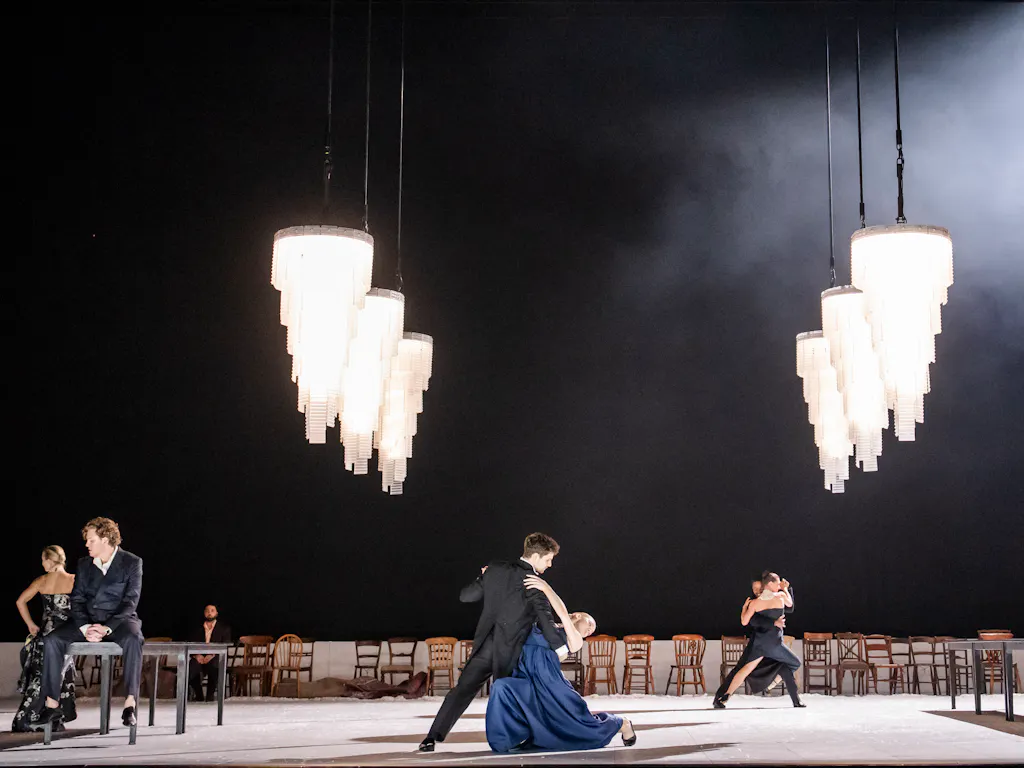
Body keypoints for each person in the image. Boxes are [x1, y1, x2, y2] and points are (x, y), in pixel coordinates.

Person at [419, 533, 569, 753]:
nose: (549, 564)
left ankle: (431, 738)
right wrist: (560, 646)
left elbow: (466, 596)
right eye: (548, 559)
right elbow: (545, 617)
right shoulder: (534, 581)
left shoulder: (495, 569)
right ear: (536, 556)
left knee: (461, 692)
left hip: (485, 647)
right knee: (510, 697)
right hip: (512, 652)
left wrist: (483, 578)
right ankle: (513, 739)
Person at [485, 575, 636, 753]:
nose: (591, 630)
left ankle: (622, 724)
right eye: (590, 624)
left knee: (578, 726)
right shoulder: (542, 625)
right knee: (502, 687)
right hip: (526, 678)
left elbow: (563, 614)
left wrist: (546, 589)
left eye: (592, 630)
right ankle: (506, 741)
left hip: (551, 685)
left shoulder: (575, 638)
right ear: (578, 616)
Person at [36, 518, 144, 729]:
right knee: (52, 640)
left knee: (134, 639)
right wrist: (86, 627)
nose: (86, 544)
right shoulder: (84, 564)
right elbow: (76, 600)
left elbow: (130, 601)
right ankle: (52, 705)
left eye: (91, 540)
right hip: (87, 621)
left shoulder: (132, 562)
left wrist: (106, 627)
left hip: (119, 621)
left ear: (105, 539)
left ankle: (130, 704)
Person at [715, 572, 804, 708]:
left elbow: (744, 621)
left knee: (744, 670)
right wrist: (784, 588)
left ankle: (726, 696)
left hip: (760, 644)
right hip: (774, 644)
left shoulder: (755, 603)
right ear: (770, 584)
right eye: (777, 582)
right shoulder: (780, 597)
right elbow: (790, 603)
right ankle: (772, 683)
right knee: (795, 663)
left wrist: (745, 608)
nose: (779, 584)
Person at [12, 546, 77, 732]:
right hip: (66, 635)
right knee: (59, 675)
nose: (42, 564)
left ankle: (29, 719)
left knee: (41, 675)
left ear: (50, 560)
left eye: (43, 560)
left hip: (46, 634)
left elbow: (20, 601)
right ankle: (54, 720)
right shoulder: (74, 580)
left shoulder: (42, 581)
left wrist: (31, 625)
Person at [188, 604, 232, 701]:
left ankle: (209, 696)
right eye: (207, 611)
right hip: (200, 657)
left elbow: (226, 645)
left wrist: (212, 655)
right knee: (190, 667)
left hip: (215, 657)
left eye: (212, 611)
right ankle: (199, 695)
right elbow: (191, 645)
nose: (209, 613)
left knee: (214, 665)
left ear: (216, 613)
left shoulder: (224, 629)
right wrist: (196, 655)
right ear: (204, 613)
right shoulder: (197, 629)